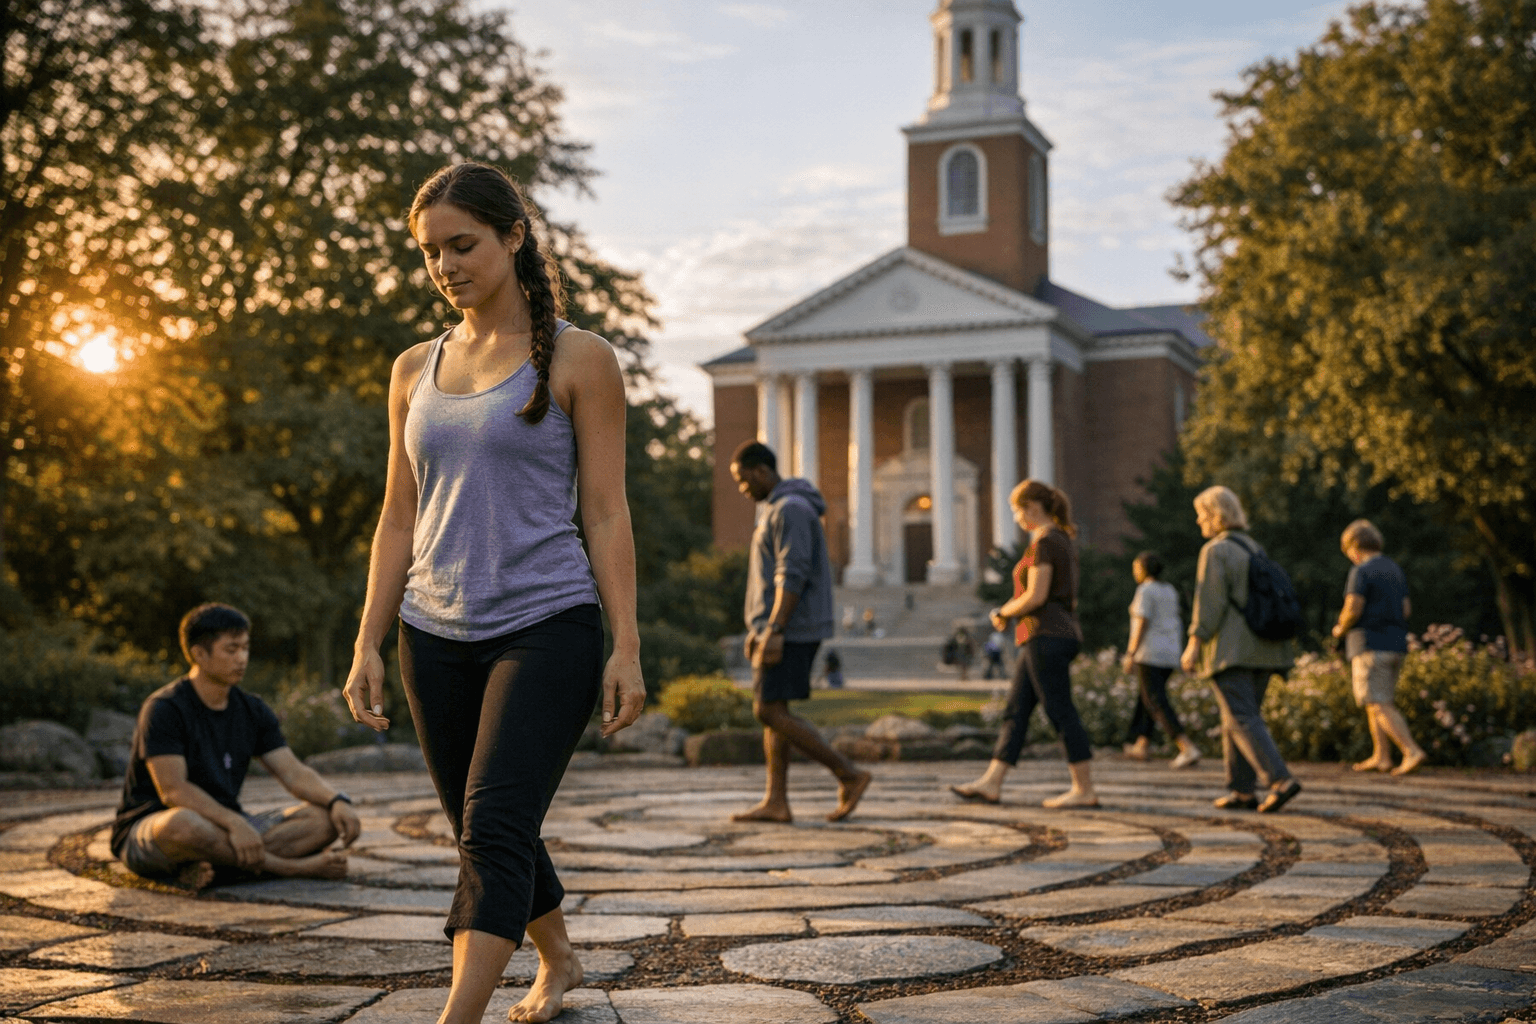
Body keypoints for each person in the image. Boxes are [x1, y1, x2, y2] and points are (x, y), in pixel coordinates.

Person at [341, 163, 645, 1024]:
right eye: (430, 252)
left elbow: (607, 511)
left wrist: (625, 645)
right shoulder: (411, 369)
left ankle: (455, 1019)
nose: (445, 265)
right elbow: (397, 517)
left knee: (495, 824)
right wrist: (368, 638)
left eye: (462, 244)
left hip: (547, 624)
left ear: (513, 236)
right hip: (429, 632)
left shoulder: (584, 358)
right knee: (484, 827)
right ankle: (559, 960)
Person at [111, 604, 360, 890]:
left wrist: (336, 800)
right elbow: (173, 790)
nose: (241, 658)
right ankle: (287, 867)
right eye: (231, 650)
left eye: (245, 648)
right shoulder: (165, 709)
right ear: (199, 654)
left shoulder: (251, 709)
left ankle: (214, 866)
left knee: (324, 820)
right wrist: (234, 823)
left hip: (225, 826)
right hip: (153, 828)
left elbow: (292, 771)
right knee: (184, 824)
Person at [729, 440, 872, 824]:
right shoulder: (780, 508)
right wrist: (758, 627)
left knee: (768, 708)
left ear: (761, 472)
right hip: (780, 626)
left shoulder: (790, 509)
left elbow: (792, 573)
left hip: (793, 627)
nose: (743, 490)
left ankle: (849, 773)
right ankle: (776, 801)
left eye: (744, 481)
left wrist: (774, 628)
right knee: (775, 709)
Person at [951, 480, 1098, 808]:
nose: (1017, 518)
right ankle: (991, 783)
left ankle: (1084, 788)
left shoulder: (1046, 541)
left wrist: (1002, 612)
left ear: (1032, 507)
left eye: (1018, 510)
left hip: (1047, 634)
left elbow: (1036, 595)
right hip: (1046, 634)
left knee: (1060, 710)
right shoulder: (1057, 540)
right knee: (1016, 711)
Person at [1180, 486, 1301, 813]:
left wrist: (1195, 643)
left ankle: (1279, 780)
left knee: (1241, 716)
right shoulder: (1253, 547)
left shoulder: (1216, 550)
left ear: (1215, 514)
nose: (1198, 520)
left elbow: (1210, 602)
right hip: (1266, 648)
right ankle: (1242, 790)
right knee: (1237, 717)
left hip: (1232, 650)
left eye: (1201, 514)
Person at [1331, 519, 1426, 775]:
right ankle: (1381, 756)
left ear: (1354, 547)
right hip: (1396, 644)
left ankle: (1411, 751)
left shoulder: (1361, 571)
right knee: (1378, 701)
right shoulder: (1394, 570)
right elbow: (1406, 609)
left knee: (1378, 702)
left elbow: (1353, 607)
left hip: (1369, 645)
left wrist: (1340, 628)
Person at [1121, 551, 1202, 769]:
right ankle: (1142, 744)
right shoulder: (1169, 590)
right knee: (1147, 697)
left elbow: (1141, 623)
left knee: (1155, 700)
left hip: (1150, 653)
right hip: (1170, 651)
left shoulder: (1145, 590)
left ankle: (1186, 746)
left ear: (1142, 569)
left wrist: (1130, 654)